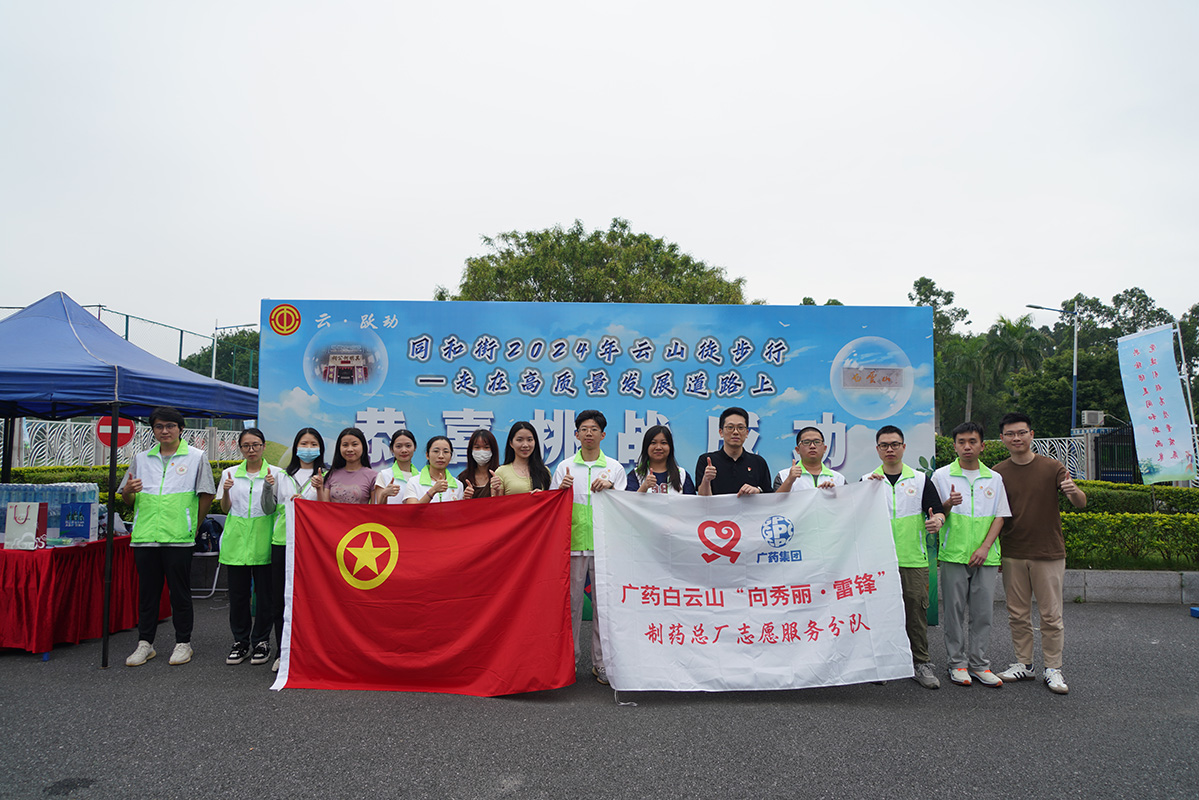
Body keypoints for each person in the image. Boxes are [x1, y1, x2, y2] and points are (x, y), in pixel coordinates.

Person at [992, 412, 1086, 695]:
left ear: (1032, 435)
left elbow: (1080, 503)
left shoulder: (1052, 467)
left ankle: (1053, 668)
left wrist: (1073, 491)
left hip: (1048, 552)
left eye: (1021, 432)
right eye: (1010, 434)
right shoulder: (997, 473)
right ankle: (1024, 664)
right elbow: (995, 515)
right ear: (1002, 439)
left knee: (1051, 615)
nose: (1016, 438)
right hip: (1012, 552)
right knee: (1017, 614)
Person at [119, 407, 215, 667]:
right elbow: (128, 499)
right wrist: (127, 490)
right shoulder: (140, 458)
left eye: (170, 426)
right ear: (153, 430)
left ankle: (183, 643)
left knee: (179, 593)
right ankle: (145, 644)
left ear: (180, 429)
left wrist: (193, 525)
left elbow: (207, 493)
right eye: (159, 426)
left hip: (179, 537)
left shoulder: (196, 457)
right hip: (145, 536)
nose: (165, 431)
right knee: (147, 593)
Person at [862, 425, 946, 689]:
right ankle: (881, 665)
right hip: (878, 560)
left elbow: (938, 511)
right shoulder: (867, 482)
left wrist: (937, 521)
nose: (890, 449)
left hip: (913, 559)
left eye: (895, 444)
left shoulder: (920, 480)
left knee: (915, 613)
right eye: (884, 445)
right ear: (877, 449)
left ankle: (920, 663)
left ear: (904, 447)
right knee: (880, 613)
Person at [931, 421, 1011, 688]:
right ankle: (957, 664)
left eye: (972, 441)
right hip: (954, 554)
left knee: (983, 613)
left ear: (982, 446)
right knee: (953, 612)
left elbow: (1001, 516)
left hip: (986, 556)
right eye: (961, 441)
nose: (967, 446)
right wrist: (948, 504)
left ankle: (980, 664)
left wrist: (985, 547)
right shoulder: (941, 476)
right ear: (954, 445)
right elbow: (934, 513)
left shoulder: (994, 478)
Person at [550, 410, 624, 684]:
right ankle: (568, 661)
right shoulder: (565, 467)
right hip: (572, 546)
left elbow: (626, 507)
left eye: (594, 429)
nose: (589, 433)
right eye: (584, 428)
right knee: (570, 608)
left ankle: (601, 663)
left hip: (605, 548)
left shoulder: (614, 468)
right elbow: (552, 507)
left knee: (603, 610)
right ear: (576, 434)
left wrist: (612, 487)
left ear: (603, 435)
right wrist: (562, 488)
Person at [216, 428, 280, 666]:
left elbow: (275, 508)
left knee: (265, 596)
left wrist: (270, 486)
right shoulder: (230, 473)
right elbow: (224, 508)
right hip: (236, 542)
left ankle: (262, 641)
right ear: (240, 448)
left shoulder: (276, 474)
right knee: (238, 595)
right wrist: (225, 491)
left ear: (264, 446)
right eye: (246, 446)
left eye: (255, 445)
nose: (251, 450)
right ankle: (240, 641)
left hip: (264, 539)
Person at [265, 427, 325, 672]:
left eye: (313, 444)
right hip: (282, 542)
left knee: (313, 600)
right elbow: (269, 508)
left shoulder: (326, 474)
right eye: (304, 443)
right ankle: (283, 650)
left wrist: (320, 488)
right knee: (281, 598)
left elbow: (328, 512)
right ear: (295, 446)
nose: (308, 448)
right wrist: (267, 488)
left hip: (313, 547)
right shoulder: (280, 475)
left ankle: (311, 651)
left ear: (320, 448)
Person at [695, 407, 773, 496]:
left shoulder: (758, 462)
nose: (735, 432)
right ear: (721, 432)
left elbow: (769, 496)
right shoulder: (707, 460)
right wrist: (706, 479)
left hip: (749, 510)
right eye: (730, 427)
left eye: (740, 427)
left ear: (747, 433)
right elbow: (702, 500)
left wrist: (757, 491)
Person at [626, 425, 695, 494]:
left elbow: (691, 503)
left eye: (663, 443)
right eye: (653, 443)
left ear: (670, 447)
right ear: (646, 447)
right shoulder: (636, 474)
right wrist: (644, 487)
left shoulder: (682, 474)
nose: (658, 447)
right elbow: (628, 503)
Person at [776, 426, 847, 491]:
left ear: (825, 449)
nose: (812, 446)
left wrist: (834, 494)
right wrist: (790, 480)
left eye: (817, 442)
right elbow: (775, 502)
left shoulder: (839, 479)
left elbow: (847, 503)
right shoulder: (784, 475)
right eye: (806, 442)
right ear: (797, 450)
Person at [318, 428, 378, 504]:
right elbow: (324, 507)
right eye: (345, 445)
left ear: (363, 446)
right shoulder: (331, 475)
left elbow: (374, 509)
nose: (350, 449)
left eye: (354, 444)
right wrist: (319, 488)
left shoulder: (373, 476)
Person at [495, 422, 553, 495]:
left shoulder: (544, 471)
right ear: (511, 443)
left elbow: (552, 501)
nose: (525, 445)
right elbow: (498, 503)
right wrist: (496, 490)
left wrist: (543, 496)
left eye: (529, 440)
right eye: (519, 440)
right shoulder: (501, 472)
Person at [404, 436, 465, 503]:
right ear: (427, 455)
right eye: (436, 451)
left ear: (450, 457)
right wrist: (432, 491)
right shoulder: (414, 482)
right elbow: (412, 511)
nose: (441, 456)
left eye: (446, 451)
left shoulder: (458, 485)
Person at [372, 429, 417, 505]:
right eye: (398, 446)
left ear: (414, 447)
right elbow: (379, 508)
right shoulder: (384, 475)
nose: (404, 450)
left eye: (408, 446)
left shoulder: (420, 476)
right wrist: (384, 494)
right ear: (392, 449)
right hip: (390, 517)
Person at [459, 428, 504, 499]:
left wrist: (498, 492)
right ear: (471, 450)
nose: (481, 451)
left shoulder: (501, 474)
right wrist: (465, 498)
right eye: (477, 447)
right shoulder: (463, 478)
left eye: (486, 447)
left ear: (493, 450)